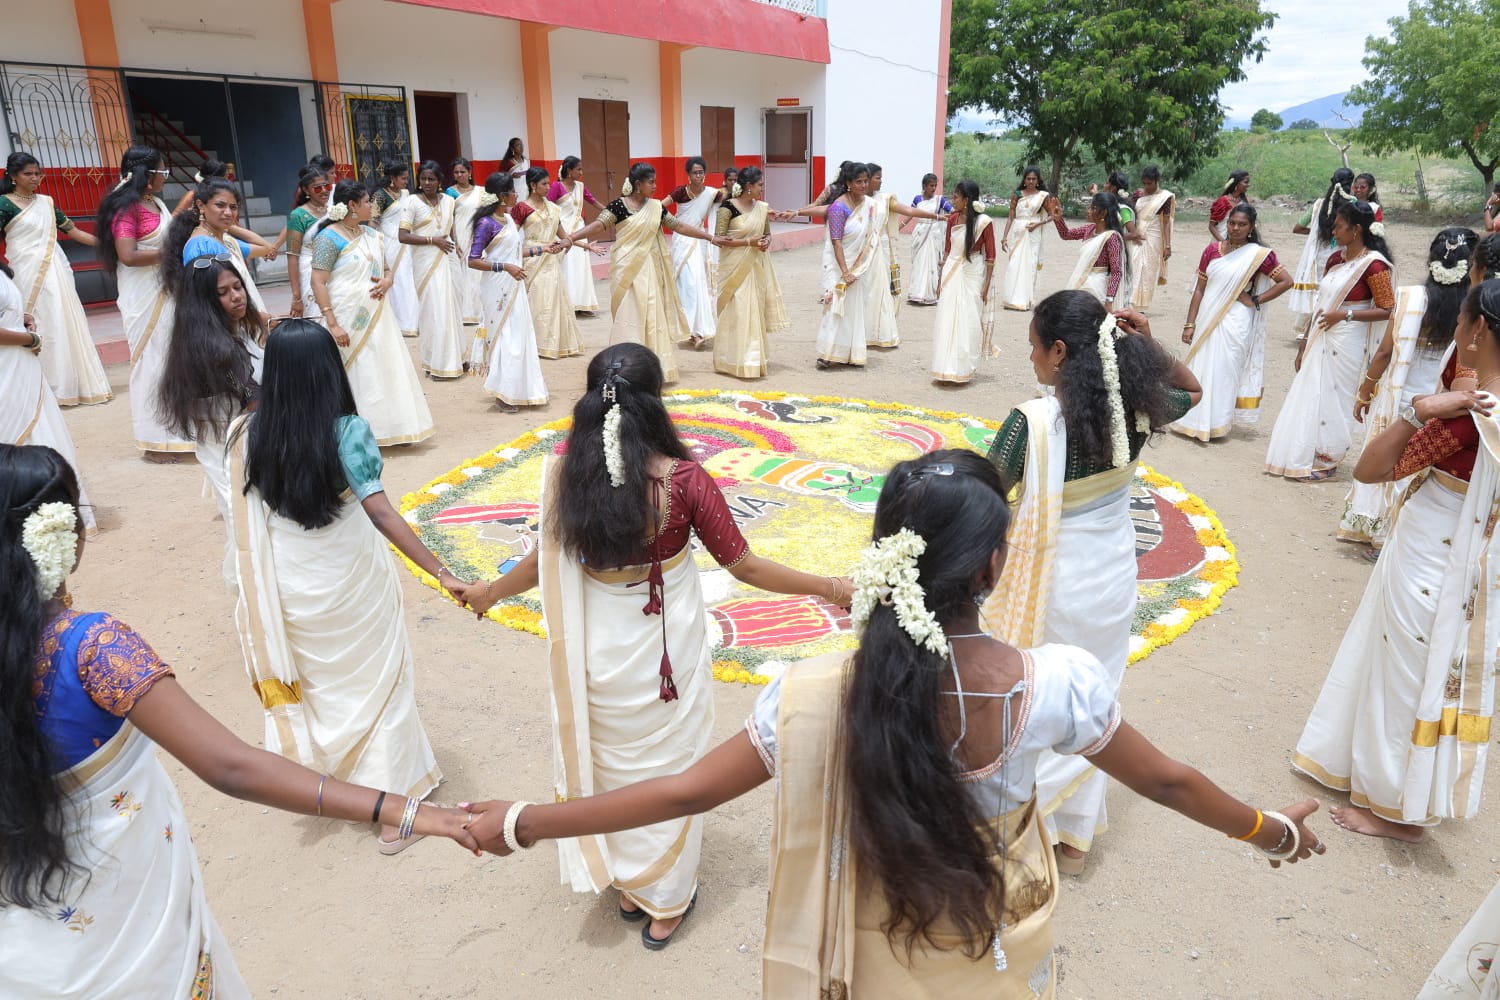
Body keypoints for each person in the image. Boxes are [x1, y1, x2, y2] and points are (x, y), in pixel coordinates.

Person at [459, 447, 1323, 994]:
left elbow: (683, 794)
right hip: (997, 942)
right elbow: (1169, 781)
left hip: (864, 951)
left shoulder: (814, 696)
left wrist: (522, 821)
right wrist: (1270, 831)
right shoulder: (1058, 684)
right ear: (992, 566)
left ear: (881, 555)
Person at [0, 443, 478, 997]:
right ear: (61, 538)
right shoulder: (94, 648)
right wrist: (408, 810)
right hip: (123, 933)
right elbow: (230, 766)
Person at [463, 343, 855, 948]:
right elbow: (744, 566)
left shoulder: (569, 474)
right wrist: (831, 587)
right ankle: (665, 898)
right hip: (660, 651)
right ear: (656, 406)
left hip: (595, 653)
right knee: (668, 766)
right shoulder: (682, 479)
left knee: (613, 761)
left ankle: (628, 879)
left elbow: (543, 558)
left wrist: (490, 592)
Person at [228, 320, 473, 852]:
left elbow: (246, 519)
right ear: (327, 371)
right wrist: (442, 572)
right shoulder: (346, 431)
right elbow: (380, 513)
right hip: (351, 578)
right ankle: (395, 811)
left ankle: (338, 784)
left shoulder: (246, 433)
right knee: (379, 686)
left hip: (292, 584)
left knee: (324, 685)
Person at [983, 292, 1201, 875]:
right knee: (1095, 695)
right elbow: (1194, 391)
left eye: (1033, 346)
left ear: (1058, 352)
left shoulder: (1032, 426)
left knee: (1036, 697)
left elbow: (981, 496)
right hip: (1111, 578)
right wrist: (1148, 344)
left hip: (1053, 581)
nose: (1030, 358)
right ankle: (1075, 840)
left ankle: (1027, 825)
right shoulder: (1138, 405)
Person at [1294, 280, 1500, 842]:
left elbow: (1373, 469)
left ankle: (1397, 809)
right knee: (1416, 667)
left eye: (1460, 319)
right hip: (1470, 558)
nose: (1454, 328)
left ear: (1478, 330)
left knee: (1406, 673)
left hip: (1435, 554)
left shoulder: (1470, 418)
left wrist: (1419, 409)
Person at [1338, 228, 1478, 549]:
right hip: (1443, 399)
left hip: (1401, 399)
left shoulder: (1411, 299)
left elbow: (1385, 352)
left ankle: (1376, 528)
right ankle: (1396, 534)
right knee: (1419, 465)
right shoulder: (1473, 310)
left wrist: (1365, 392)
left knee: (1389, 461)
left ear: (1431, 261)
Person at [1265, 201, 1394, 481]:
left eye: (1338, 225)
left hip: (1347, 338)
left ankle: (1328, 458)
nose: (1333, 230)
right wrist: (1303, 343)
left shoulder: (1374, 265)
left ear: (1356, 229)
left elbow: (1387, 308)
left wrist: (1345, 315)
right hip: (1321, 333)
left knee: (1336, 396)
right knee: (1313, 393)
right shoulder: (1336, 260)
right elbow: (1321, 303)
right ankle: (1306, 451)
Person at [157, 256, 263, 584]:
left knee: (243, 518)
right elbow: (256, 403)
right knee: (248, 518)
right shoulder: (217, 347)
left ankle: (249, 587)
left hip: (226, 441)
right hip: (233, 444)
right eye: (223, 292)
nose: (237, 296)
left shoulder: (217, 333)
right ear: (204, 300)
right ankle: (251, 593)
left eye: (238, 286)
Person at [565, 163, 720, 384]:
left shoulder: (656, 208)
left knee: (651, 315)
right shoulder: (619, 206)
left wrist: (711, 238)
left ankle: (652, 368)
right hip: (626, 270)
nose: (655, 186)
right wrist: (571, 238)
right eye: (651, 182)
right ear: (638, 184)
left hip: (649, 269)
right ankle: (624, 368)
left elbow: (679, 226)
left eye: (655, 181)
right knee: (628, 315)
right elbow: (599, 225)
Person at [308, 181, 436, 446]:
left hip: (379, 315)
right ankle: (357, 432)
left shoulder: (372, 235)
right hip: (345, 317)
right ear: (352, 206)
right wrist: (332, 323)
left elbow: (387, 269)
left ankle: (392, 427)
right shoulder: (328, 238)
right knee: (358, 371)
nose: (372, 206)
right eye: (367, 201)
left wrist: (387, 281)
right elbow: (318, 282)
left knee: (385, 366)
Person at [95, 146, 192, 455]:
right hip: (144, 296)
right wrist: (173, 253)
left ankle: (178, 431)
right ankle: (154, 440)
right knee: (151, 362)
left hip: (167, 290)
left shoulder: (156, 203)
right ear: (147, 175)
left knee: (172, 358)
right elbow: (128, 255)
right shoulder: (127, 208)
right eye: (163, 172)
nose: (165, 177)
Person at [1170, 204, 1293, 441]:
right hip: (1208, 315)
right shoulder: (1212, 251)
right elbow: (1199, 289)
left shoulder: (1258, 255)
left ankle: (1216, 423)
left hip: (1236, 320)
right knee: (1201, 366)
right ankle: (1191, 420)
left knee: (1225, 370)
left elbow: (1286, 281)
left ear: (1251, 227)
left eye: (1242, 224)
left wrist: (1256, 299)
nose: (1235, 228)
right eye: (1232, 223)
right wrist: (1189, 323)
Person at [0, 153, 110, 407]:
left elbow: (74, 231)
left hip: (56, 271)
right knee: (37, 322)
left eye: (37, 173)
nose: (35, 178)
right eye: (28, 174)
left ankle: (70, 385)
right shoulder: (4, 204)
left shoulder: (47, 203)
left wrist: (108, 246)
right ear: (13, 176)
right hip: (25, 270)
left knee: (62, 320)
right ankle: (39, 387)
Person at [0, 265, 96, 533]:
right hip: (6, 370)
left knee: (42, 430)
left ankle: (53, 508)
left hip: (20, 366)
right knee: (10, 435)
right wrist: (27, 338)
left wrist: (22, 318)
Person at [468, 173, 548, 411]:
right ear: (502, 196)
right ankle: (503, 393)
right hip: (497, 287)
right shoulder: (486, 224)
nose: (516, 195)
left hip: (515, 283)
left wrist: (543, 249)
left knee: (520, 335)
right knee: (506, 336)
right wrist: (505, 267)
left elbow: (514, 252)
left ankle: (522, 389)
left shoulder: (508, 220)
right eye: (513, 191)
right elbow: (473, 260)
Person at [712, 165, 789, 379]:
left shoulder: (761, 208)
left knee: (753, 311)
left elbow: (766, 234)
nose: (762, 189)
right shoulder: (727, 208)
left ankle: (752, 359)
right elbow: (720, 240)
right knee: (736, 311)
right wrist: (748, 242)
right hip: (734, 269)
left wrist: (765, 243)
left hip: (755, 268)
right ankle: (730, 360)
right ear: (748, 186)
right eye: (760, 185)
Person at [161, 177, 274, 318]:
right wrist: (258, 318)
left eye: (233, 207)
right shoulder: (201, 246)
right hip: (222, 327)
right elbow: (208, 301)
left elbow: (266, 247)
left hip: (241, 320)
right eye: (220, 206)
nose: (228, 212)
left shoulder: (226, 241)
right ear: (201, 205)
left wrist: (228, 225)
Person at [399, 160, 468, 379]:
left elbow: (450, 228)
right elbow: (403, 235)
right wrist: (432, 240)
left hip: (448, 259)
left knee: (453, 309)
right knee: (434, 311)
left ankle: (457, 357)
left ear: (439, 181)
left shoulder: (449, 201)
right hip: (426, 262)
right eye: (423, 179)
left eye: (431, 179)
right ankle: (437, 362)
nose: (427, 183)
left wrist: (456, 243)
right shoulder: (412, 202)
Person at [929, 180, 995, 384]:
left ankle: (964, 367)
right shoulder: (953, 219)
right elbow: (948, 251)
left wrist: (985, 287)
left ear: (966, 200)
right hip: (952, 272)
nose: (953, 200)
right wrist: (941, 280)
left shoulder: (984, 222)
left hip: (972, 273)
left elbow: (991, 257)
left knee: (969, 319)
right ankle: (944, 366)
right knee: (947, 318)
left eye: (956, 197)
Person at [812, 162, 877, 369]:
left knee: (854, 308)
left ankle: (852, 353)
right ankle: (827, 353)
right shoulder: (839, 207)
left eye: (866, 181)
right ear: (848, 183)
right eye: (858, 181)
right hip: (839, 266)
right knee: (835, 305)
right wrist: (845, 271)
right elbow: (836, 241)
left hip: (859, 266)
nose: (863, 185)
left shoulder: (869, 205)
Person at [515, 165, 582, 360]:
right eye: (544, 183)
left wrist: (566, 244)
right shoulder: (522, 208)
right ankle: (536, 344)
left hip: (551, 260)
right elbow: (510, 235)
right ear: (533, 185)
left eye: (549, 182)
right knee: (537, 300)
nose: (549, 186)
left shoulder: (553, 208)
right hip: (532, 258)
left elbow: (563, 236)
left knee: (554, 299)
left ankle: (555, 344)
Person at [660, 157, 723, 347]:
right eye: (695, 172)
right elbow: (659, 207)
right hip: (682, 240)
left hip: (699, 240)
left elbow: (731, 204)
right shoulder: (681, 192)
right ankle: (687, 329)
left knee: (698, 282)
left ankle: (698, 330)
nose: (699, 176)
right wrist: (673, 223)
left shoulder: (712, 194)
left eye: (701, 172)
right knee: (687, 283)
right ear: (688, 175)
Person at [1287, 168, 1356, 326]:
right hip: (1342, 252)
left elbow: (1297, 227)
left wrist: (1317, 233)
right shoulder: (1352, 203)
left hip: (1319, 254)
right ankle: (1326, 323)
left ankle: (1307, 327)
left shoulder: (1319, 203)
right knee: (1335, 288)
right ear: (1350, 184)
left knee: (1318, 288)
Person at [548, 156, 607, 314]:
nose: (581, 172)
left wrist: (609, 212)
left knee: (580, 268)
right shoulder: (556, 187)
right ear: (569, 171)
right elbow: (547, 207)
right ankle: (568, 306)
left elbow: (592, 200)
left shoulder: (580, 186)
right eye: (578, 169)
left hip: (579, 231)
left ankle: (582, 304)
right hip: (562, 232)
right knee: (567, 268)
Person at [1050, 192, 1129, 309]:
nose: (1088, 211)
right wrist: (1058, 219)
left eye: (1093, 208)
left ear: (1103, 213)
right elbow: (1066, 234)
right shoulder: (1090, 229)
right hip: (1082, 279)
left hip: (1098, 286)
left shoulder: (1111, 237)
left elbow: (1116, 272)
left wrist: (1109, 300)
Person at [373, 160, 420, 338]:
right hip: (389, 244)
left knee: (409, 279)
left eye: (407, 178)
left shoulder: (406, 194)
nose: (406, 182)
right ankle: (400, 323)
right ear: (392, 178)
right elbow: (373, 222)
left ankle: (412, 321)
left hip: (406, 242)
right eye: (403, 178)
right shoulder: (379, 196)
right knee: (397, 280)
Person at [283, 164, 331, 319]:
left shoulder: (334, 210)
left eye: (326, 186)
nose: (324, 190)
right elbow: (292, 257)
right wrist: (296, 297)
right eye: (317, 188)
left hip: (335, 271)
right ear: (306, 190)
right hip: (310, 273)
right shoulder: (298, 216)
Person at [999, 166, 1050, 312]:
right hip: (1018, 231)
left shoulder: (1043, 196)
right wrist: (1004, 237)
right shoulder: (1017, 195)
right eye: (1028, 178)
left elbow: (1053, 215)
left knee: (1030, 265)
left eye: (1034, 179)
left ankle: (1025, 300)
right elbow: (1010, 217)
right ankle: (1011, 299)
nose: (1031, 181)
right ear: (1024, 180)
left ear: (1038, 180)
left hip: (1033, 233)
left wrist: (1038, 223)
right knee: (1014, 264)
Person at [446, 157, 487, 336]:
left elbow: (486, 214)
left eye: (463, 172)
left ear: (470, 173)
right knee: (462, 274)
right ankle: (465, 312)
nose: (459, 175)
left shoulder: (481, 192)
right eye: (456, 172)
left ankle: (478, 311)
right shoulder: (450, 192)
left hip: (478, 235)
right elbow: (449, 217)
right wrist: (454, 240)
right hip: (459, 236)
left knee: (477, 274)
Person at [1129, 166, 1175, 309]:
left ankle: (1141, 306)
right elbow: (1129, 213)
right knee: (1134, 266)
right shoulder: (1137, 194)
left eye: (1150, 183)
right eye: (1145, 183)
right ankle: (1130, 302)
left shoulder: (1165, 197)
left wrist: (1167, 245)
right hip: (1136, 233)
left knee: (1148, 269)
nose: (1147, 187)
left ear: (1157, 181)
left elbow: (1166, 222)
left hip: (1154, 236)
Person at [906, 172, 953, 306]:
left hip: (933, 234)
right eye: (931, 185)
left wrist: (946, 220)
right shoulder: (917, 199)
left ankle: (929, 294)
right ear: (924, 186)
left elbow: (952, 210)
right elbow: (910, 213)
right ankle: (916, 293)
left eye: (935, 185)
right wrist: (899, 226)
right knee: (919, 263)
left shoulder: (940, 200)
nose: (933, 188)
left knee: (932, 263)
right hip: (920, 233)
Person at [1208, 171, 1250, 240]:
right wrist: (1223, 242)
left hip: (1239, 243)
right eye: (1246, 182)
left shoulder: (1244, 202)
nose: (1248, 185)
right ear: (1236, 183)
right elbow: (1211, 226)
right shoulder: (1223, 201)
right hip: (1221, 243)